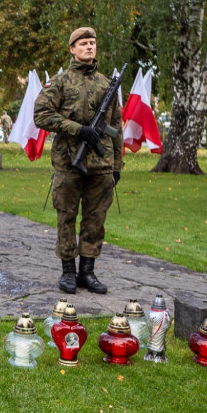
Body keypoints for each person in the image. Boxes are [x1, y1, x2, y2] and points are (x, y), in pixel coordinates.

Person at [33, 27, 123, 295]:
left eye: (93, 43)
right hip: (69, 162)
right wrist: (77, 129)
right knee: (66, 217)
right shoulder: (60, 83)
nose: (89, 47)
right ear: (72, 49)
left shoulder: (108, 84)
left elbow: (116, 126)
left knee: (95, 220)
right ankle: (68, 272)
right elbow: (41, 115)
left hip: (101, 165)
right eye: (83, 43)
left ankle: (88, 272)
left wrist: (117, 165)